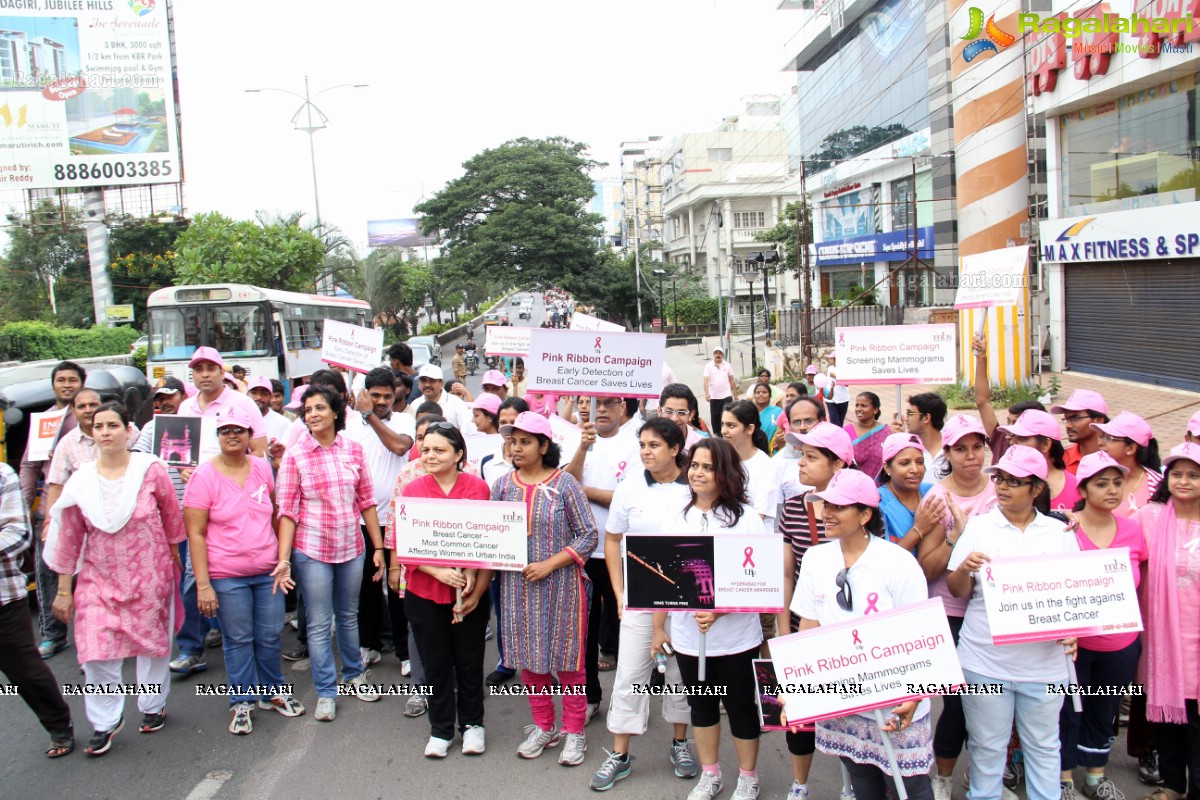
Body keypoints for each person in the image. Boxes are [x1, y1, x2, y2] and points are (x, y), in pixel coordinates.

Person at [45, 401, 185, 756]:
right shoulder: (82, 481)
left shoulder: (151, 470)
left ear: (128, 430)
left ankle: (153, 706)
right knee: (95, 652)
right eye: (99, 426)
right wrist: (65, 590)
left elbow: (171, 519)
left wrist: (175, 562)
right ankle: (105, 722)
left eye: (112, 425)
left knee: (153, 646)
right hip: (99, 580)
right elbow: (70, 538)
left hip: (150, 575)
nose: (105, 432)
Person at [790, 469, 934, 800]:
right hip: (843, 701)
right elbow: (809, 626)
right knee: (862, 780)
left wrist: (912, 698)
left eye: (837, 507)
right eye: (824, 505)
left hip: (896, 703)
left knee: (910, 784)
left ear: (865, 514)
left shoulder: (899, 563)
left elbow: (921, 636)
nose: (826, 513)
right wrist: (797, 689)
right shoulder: (815, 558)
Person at [948, 445, 1080, 800]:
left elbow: (1077, 599)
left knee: (1043, 747)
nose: (1002, 487)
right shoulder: (978, 528)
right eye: (1000, 479)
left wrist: (1074, 634)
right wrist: (965, 567)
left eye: (1014, 481)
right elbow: (957, 590)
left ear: (1036, 489)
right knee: (987, 748)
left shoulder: (1060, 534)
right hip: (985, 661)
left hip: (1045, 666)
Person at [650, 438, 769, 800]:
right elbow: (661, 578)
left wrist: (720, 610)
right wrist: (659, 627)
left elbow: (759, 581)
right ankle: (710, 773)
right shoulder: (677, 516)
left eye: (709, 467)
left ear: (726, 473)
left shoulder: (746, 519)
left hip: (736, 638)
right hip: (688, 636)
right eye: (695, 465)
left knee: (740, 706)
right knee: (701, 704)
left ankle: (748, 777)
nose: (699, 473)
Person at [183, 406, 304, 735]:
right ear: (218, 437)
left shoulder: (263, 468)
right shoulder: (204, 476)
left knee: (268, 635)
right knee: (238, 639)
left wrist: (283, 559)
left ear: (251, 436)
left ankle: (272, 693)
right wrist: (204, 584)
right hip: (226, 575)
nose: (233, 435)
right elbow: (195, 533)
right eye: (226, 431)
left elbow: (277, 515)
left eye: (239, 430)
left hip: (267, 571)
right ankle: (241, 701)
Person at [590, 417, 696, 791]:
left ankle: (680, 743)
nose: (646, 452)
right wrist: (620, 594)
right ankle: (619, 754)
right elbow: (613, 539)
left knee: (679, 677)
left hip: (684, 602)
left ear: (675, 449)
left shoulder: (695, 486)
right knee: (630, 675)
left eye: (654, 445)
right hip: (639, 599)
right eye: (643, 445)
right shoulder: (631, 487)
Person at [492, 411, 598, 766]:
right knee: (529, 660)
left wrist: (550, 563)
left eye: (525, 442)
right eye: (512, 441)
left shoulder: (564, 484)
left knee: (569, 660)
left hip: (563, 586)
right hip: (516, 588)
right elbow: (491, 533)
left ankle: (574, 731)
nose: (516, 448)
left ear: (543, 445)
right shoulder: (504, 486)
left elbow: (588, 534)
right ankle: (544, 725)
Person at [276, 385, 386, 722]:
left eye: (320, 408)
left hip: (352, 547)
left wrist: (378, 548)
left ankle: (354, 675)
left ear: (336, 412)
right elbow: (287, 512)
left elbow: (366, 501)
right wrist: (283, 560)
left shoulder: (352, 450)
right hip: (312, 551)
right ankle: (326, 691)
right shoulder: (295, 456)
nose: (313, 415)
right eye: (308, 410)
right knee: (321, 623)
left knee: (349, 615)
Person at [397, 421, 492, 758]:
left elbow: (484, 541)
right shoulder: (413, 490)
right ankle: (440, 729)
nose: (430, 455)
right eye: (425, 449)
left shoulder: (478, 488)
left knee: (469, 660)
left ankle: (473, 725)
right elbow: (406, 545)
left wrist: (467, 578)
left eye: (439, 450)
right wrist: (438, 571)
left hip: (467, 592)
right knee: (435, 662)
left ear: (459, 454)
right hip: (424, 592)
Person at [1057, 451, 1145, 799]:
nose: (1112, 490)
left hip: (1120, 643)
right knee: (1066, 710)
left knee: (1104, 710)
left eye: (1118, 482)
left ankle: (1095, 777)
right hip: (1073, 646)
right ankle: (1063, 781)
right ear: (1083, 488)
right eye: (1101, 483)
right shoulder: (1064, 528)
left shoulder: (1134, 530)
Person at [914, 415, 993, 797]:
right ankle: (942, 774)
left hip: (993, 611)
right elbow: (925, 569)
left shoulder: (1000, 491)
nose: (971, 456)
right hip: (949, 613)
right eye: (960, 449)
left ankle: (984, 774)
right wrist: (954, 540)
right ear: (946, 452)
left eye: (977, 446)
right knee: (960, 701)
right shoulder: (936, 496)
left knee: (992, 701)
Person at [776, 421, 853, 798]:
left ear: (838, 465)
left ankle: (850, 785)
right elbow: (786, 572)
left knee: (852, 712)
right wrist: (784, 631)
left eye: (811, 457)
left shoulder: (862, 508)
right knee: (799, 714)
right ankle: (800, 783)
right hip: (802, 622)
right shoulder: (792, 508)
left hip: (848, 628)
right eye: (800, 456)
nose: (800, 464)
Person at [565, 396, 640, 718]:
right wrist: (581, 448)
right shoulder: (571, 439)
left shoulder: (635, 447)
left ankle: (631, 702)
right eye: (592, 403)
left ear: (622, 407)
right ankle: (590, 696)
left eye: (608, 404)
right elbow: (565, 484)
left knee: (630, 630)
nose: (599, 409)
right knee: (585, 630)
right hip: (583, 553)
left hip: (623, 554)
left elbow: (627, 500)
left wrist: (585, 491)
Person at [0, 459, 74, 757]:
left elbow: (18, 534)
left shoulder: (3, 475)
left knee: (24, 672)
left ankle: (59, 725)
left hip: (4, 597)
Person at [1138, 442, 1200, 800]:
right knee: (1168, 718)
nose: (1184, 481)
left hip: (1197, 640)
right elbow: (1118, 542)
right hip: (1162, 639)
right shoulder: (1152, 517)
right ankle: (1173, 785)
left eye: (1193, 474)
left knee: (1197, 722)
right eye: (1177, 473)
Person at [349, 368, 415, 675]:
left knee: (399, 586)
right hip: (362, 521)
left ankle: (404, 653)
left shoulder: (403, 419)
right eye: (374, 395)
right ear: (365, 393)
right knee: (367, 588)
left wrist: (369, 417)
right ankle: (369, 646)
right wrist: (361, 417)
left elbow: (400, 447)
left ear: (396, 395)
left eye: (387, 396)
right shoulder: (350, 425)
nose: (381, 401)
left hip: (398, 519)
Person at [19, 360, 84, 659]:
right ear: (54, 385)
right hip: (52, 509)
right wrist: (23, 505)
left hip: (87, 509)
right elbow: (29, 466)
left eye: (73, 379)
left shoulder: (91, 417)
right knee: (46, 576)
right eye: (62, 380)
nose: (67, 385)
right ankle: (53, 635)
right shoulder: (44, 422)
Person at [177, 347, 266, 457]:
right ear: (193, 375)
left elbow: (261, 451)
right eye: (199, 369)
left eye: (211, 369)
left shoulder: (243, 403)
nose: (205, 374)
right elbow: (181, 454)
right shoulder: (185, 407)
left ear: (222, 373)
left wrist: (233, 470)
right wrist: (184, 471)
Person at [971, 335, 1046, 461]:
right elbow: (982, 402)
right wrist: (981, 358)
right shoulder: (1001, 441)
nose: (1009, 431)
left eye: (1016, 423)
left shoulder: (1050, 467)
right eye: (1008, 422)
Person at [998, 409, 1080, 512]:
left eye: (1023, 438)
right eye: (1014, 437)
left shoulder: (1076, 487)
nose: (1013, 443)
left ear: (1045, 444)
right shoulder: (1000, 483)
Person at [877, 432, 939, 552]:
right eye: (905, 463)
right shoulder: (877, 502)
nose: (915, 470)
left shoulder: (933, 493)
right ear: (887, 467)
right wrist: (918, 530)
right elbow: (884, 561)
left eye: (920, 462)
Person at [1093, 411, 1162, 518]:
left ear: (1130, 448)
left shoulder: (1157, 485)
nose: (1100, 443)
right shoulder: (1092, 477)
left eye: (1109, 438)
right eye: (1101, 437)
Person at [722, 400, 776, 526]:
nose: (724, 431)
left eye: (731, 425)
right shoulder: (720, 459)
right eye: (723, 424)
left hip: (752, 540)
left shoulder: (766, 466)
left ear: (750, 429)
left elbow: (759, 516)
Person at [1050, 390, 1110, 475]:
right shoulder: (1061, 460)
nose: (1068, 425)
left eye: (1075, 418)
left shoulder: (1118, 458)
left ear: (1098, 420)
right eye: (1066, 419)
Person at [901, 393, 949, 480]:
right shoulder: (906, 449)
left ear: (926, 418)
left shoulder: (952, 449)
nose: (906, 418)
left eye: (910, 414)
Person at [416, 363, 475, 432]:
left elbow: (469, 431)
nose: (427, 384)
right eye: (423, 380)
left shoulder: (457, 404)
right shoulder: (415, 405)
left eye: (432, 380)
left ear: (441, 383)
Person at [844, 392, 888, 481]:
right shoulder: (846, 431)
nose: (858, 409)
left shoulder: (886, 431)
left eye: (863, 406)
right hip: (853, 484)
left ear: (875, 409)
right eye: (857, 405)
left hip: (879, 485)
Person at [660, 383, 710, 454]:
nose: (674, 419)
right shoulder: (647, 443)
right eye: (669, 411)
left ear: (691, 415)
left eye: (681, 412)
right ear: (659, 411)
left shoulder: (704, 444)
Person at [246, 376, 292, 444]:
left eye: (263, 393)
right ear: (247, 395)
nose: (258, 397)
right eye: (254, 392)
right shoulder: (239, 421)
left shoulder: (284, 423)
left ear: (271, 397)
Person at [702, 347, 737, 432]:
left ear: (722, 355)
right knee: (715, 416)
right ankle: (718, 434)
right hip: (714, 396)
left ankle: (729, 431)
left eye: (720, 353)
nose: (718, 355)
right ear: (713, 354)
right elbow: (705, 380)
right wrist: (707, 393)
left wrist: (735, 395)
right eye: (716, 353)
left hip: (727, 395)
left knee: (728, 414)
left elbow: (731, 379)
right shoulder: (708, 366)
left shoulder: (727, 365)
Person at [751, 384, 783, 456]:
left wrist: (781, 441)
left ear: (770, 395)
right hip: (755, 452)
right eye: (758, 392)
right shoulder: (749, 413)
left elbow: (786, 429)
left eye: (764, 392)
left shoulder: (778, 412)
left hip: (775, 451)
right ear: (754, 395)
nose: (761, 394)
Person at [825, 351, 851, 428]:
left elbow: (846, 384)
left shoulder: (844, 369)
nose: (829, 360)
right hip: (831, 399)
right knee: (834, 421)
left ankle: (840, 437)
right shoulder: (830, 368)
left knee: (840, 421)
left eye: (831, 358)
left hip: (843, 398)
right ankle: (836, 437)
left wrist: (836, 376)